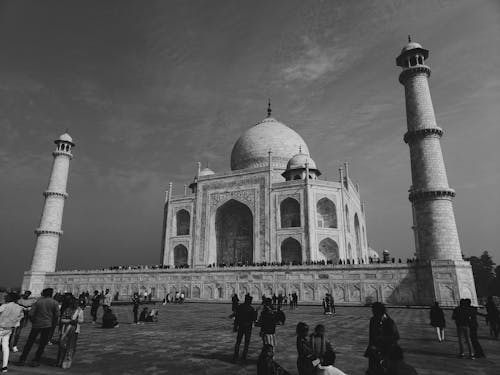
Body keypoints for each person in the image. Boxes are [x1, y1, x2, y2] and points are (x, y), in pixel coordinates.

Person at [17, 287, 60, 367]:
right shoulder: (54, 303)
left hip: (36, 325)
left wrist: (34, 321)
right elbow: (57, 315)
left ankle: (22, 359)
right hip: (47, 325)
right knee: (42, 344)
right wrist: (53, 324)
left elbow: (31, 314)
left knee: (29, 342)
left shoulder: (38, 302)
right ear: (51, 294)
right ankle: (36, 360)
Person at [364, 302, 400, 375]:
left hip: (386, 350)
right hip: (374, 351)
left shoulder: (389, 322)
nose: (373, 312)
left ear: (380, 311)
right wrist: (370, 347)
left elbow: (396, 336)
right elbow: (371, 336)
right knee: (372, 370)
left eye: (374, 311)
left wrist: (382, 338)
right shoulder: (373, 320)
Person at [0, 292, 24, 373]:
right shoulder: (19, 307)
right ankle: (4, 366)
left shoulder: (4, 306)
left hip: (1, 328)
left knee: (4, 346)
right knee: (5, 347)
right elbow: (20, 318)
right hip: (9, 329)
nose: (5, 297)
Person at [57, 298, 84, 368]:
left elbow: (81, 320)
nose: (75, 305)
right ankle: (60, 360)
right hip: (65, 329)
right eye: (74, 303)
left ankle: (67, 361)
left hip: (75, 330)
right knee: (62, 345)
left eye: (77, 303)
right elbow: (62, 320)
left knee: (71, 346)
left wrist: (77, 320)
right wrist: (70, 321)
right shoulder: (67, 310)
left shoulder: (79, 311)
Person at [233, 294, 257, 363]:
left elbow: (236, 318)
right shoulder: (251, 308)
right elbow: (254, 319)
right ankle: (244, 357)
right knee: (246, 343)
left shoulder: (240, 307)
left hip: (241, 326)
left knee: (238, 342)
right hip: (248, 328)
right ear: (249, 301)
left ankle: (235, 356)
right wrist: (256, 312)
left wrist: (235, 326)